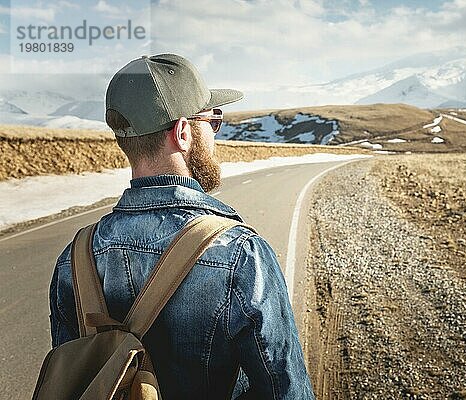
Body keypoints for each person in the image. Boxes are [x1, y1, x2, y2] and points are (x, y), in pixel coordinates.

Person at [48, 53, 315, 399]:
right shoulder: (240, 254)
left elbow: (70, 379)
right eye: (212, 121)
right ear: (184, 132)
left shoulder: (75, 259)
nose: (215, 135)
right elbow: (286, 391)